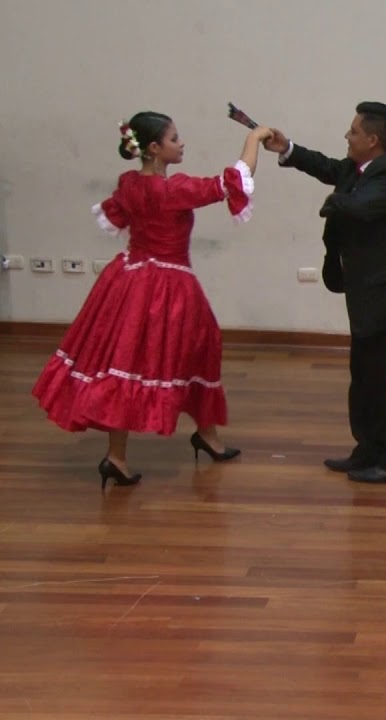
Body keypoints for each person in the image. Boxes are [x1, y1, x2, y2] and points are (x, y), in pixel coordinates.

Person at [31, 111, 271, 489]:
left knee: (140, 357)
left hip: (128, 279)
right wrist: (255, 138)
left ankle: (159, 447)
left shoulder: (130, 184)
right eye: (175, 138)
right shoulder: (170, 191)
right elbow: (235, 180)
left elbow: (122, 218)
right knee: (172, 353)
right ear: (155, 148)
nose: (182, 143)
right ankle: (130, 454)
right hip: (167, 284)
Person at [264, 102, 386, 483]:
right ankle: (368, 449)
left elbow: (361, 207)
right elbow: (325, 166)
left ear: (372, 140)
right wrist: (287, 147)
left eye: (353, 131)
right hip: (367, 295)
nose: (347, 136)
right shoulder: (359, 170)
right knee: (364, 377)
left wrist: (335, 202)